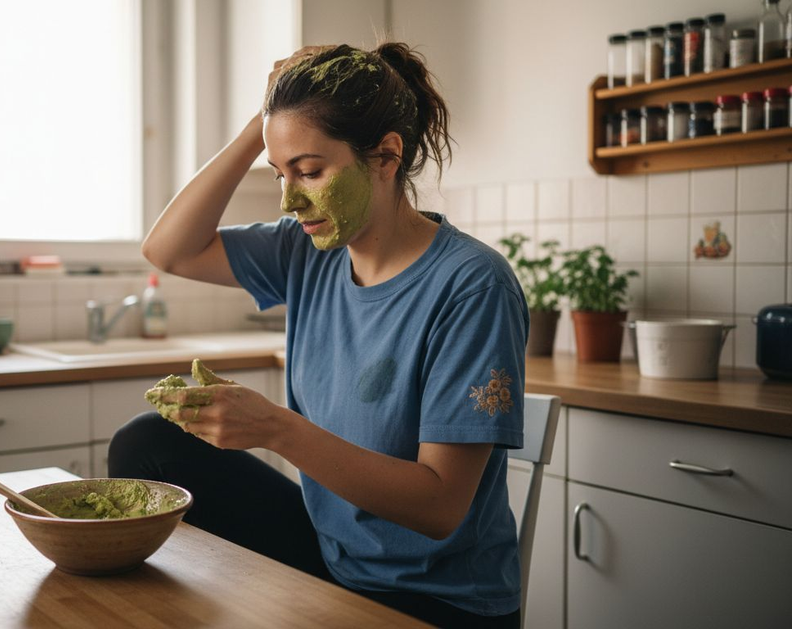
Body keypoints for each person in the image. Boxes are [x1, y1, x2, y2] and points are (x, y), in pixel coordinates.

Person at [109, 42, 527, 629]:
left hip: (437, 600)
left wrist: (276, 429)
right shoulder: (306, 248)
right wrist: (264, 128)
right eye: (280, 173)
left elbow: (439, 507)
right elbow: (167, 250)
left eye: (309, 171)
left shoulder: (473, 285)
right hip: (333, 557)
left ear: (385, 156)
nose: (289, 198)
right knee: (147, 443)